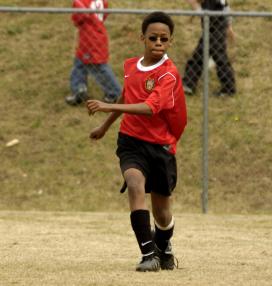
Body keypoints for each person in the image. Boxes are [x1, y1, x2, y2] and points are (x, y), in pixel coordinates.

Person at [86, 12, 187, 272]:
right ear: (142, 37)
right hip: (130, 140)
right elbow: (127, 94)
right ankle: (148, 254)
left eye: (164, 39)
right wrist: (105, 126)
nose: (158, 42)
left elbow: (151, 107)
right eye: (153, 37)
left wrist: (108, 105)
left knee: (162, 212)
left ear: (170, 41)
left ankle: (164, 246)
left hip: (160, 146)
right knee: (134, 183)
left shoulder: (169, 74)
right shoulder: (131, 66)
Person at [66, 0, 122, 106]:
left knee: (98, 66)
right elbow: (105, 13)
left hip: (89, 38)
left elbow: (78, 18)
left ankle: (115, 93)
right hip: (98, 33)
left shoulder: (80, 1)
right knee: (80, 62)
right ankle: (79, 90)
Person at [183, 0, 236, 97]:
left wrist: (194, 4)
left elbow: (223, 9)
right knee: (199, 55)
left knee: (219, 57)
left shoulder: (215, 3)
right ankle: (188, 84)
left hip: (217, 29)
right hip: (210, 28)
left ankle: (228, 88)